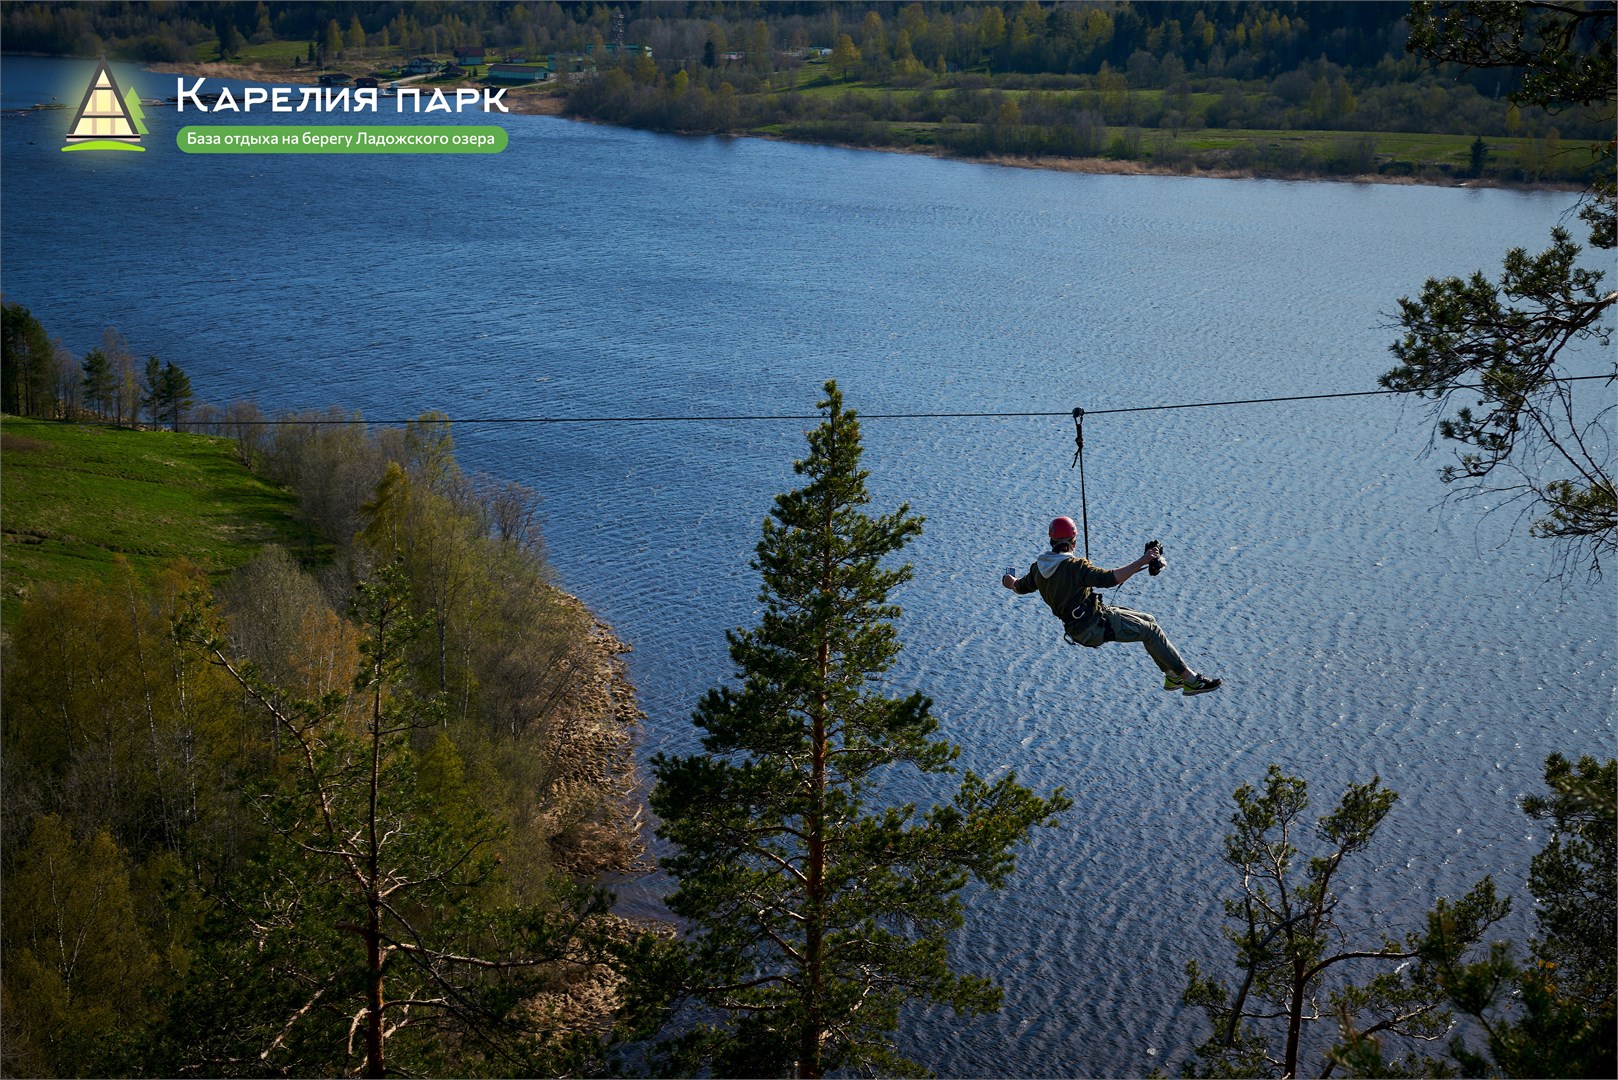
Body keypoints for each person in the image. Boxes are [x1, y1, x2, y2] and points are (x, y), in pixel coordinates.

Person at [1002, 516, 1221, 696]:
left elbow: (1018, 587)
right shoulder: (1075, 567)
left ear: (1051, 541)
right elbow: (1110, 579)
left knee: (1149, 620)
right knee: (1151, 631)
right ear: (1073, 541)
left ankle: (1172, 676)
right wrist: (1143, 560)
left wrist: (1008, 580)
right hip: (1094, 627)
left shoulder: (1038, 569)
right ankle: (1191, 680)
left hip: (1082, 625)